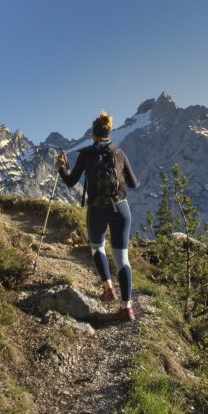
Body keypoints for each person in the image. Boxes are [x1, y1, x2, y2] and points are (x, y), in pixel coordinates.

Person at [56, 111, 138, 321]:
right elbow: (134, 184)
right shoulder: (119, 153)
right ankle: (127, 307)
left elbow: (71, 182)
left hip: (97, 209)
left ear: (93, 134)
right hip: (121, 209)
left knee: (97, 247)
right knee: (122, 259)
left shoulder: (86, 154)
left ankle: (108, 287)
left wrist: (61, 168)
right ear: (109, 133)